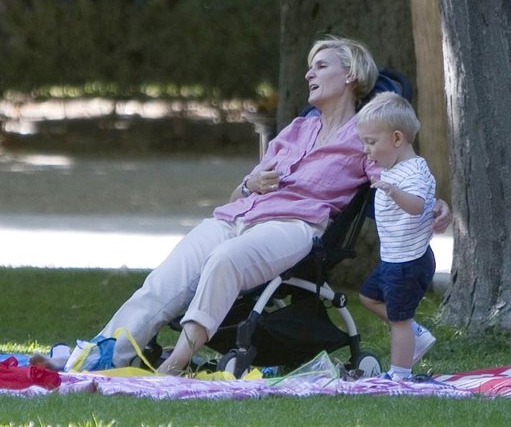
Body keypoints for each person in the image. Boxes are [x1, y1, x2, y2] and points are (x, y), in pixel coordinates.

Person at [32, 36, 451, 375]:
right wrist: (250, 182)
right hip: (241, 215)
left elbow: (401, 174)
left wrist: (436, 205)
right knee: (163, 282)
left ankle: (178, 360)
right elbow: (238, 194)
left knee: (225, 261)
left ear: (352, 75)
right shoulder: (296, 129)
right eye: (311, 65)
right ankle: (98, 356)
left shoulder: (366, 136)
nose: (310, 72)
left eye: (322, 65)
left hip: (295, 225)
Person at [356, 91, 438, 381]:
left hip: (408, 261)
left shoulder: (412, 171)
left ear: (397, 139)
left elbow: (416, 205)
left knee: (399, 320)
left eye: (371, 142)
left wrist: (394, 192)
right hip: (394, 258)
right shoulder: (392, 168)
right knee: (368, 296)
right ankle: (417, 335)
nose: (367, 150)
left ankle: (400, 374)